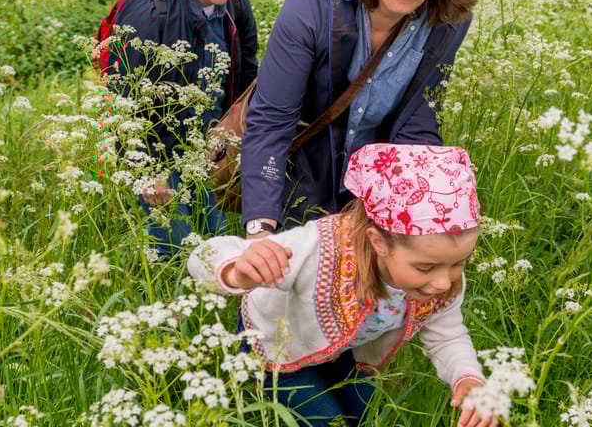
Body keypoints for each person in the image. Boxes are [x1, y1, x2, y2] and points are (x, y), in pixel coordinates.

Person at [189, 144, 496, 427]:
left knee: (368, 417)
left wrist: (466, 378)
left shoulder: (439, 275)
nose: (444, 280)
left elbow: (447, 336)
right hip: (278, 347)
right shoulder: (321, 249)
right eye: (425, 267)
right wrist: (236, 271)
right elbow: (203, 255)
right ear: (379, 242)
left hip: (343, 348)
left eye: (458, 263)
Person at [239, 0, 479, 238]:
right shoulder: (314, 2)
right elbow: (271, 122)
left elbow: (418, 120)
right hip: (298, 184)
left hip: (375, 195)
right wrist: (260, 230)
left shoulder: (449, 19)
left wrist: (434, 182)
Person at [109, 0, 259, 256]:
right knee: (173, 252)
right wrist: (144, 171)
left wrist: (242, 135)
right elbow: (125, 97)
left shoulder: (235, 4)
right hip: (160, 154)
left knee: (218, 245)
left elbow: (247, 71)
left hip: (211, 151)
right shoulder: (149, 9)